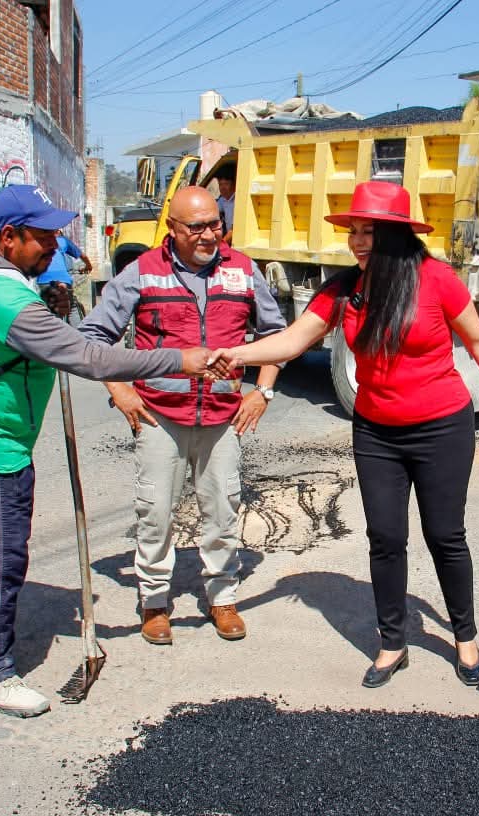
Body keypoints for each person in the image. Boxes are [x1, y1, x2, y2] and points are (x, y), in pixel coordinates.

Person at [206, 180, 479, 688]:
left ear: (399, 235)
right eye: (355, 231)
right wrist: (236, 355)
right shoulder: (343, 289)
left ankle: (465, 640)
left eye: (372, 231)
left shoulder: (436, 279)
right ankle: (392, 644)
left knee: (446, 536)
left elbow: (478, 338)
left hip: (442, 427)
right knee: (385, 537)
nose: (359, 241)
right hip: (377, 432)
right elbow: (295, 340)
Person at [0, 184, 209, 718]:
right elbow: (86, 357)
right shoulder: (1, 295)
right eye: (44, 237)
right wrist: (177, 360)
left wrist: (48, 309)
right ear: (9, 237)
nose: (55, 247)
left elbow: (41, 338)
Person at [78, 185, 287, 645]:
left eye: (216, 223)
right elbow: (93, 338)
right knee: (154, 512)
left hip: (223, 418)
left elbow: (277, 336)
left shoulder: (243, 271)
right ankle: (154, 601)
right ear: (172, 228)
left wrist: (263, 393)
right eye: (197, 227)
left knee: (224, 510)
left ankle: (223, 596)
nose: (210, 235)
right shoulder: (142, 273)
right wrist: (120, 391)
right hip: (159, 418)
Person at [35, 228, 92, 314]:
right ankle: (76, 326)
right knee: (71, 307)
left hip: (44, 280)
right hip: (64, 280)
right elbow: (83, 256)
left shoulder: (39, 241)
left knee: (48, 311)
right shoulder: (63, 241)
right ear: (57, 232)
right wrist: (88, 266)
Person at [213, 161, 236, 246]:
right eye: (220, 184)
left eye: (226, 184)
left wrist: (221, 246)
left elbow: (235, 230)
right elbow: (212, 210)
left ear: (234, 184)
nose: (222, 188)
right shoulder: (223, 200)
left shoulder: (238, 201)